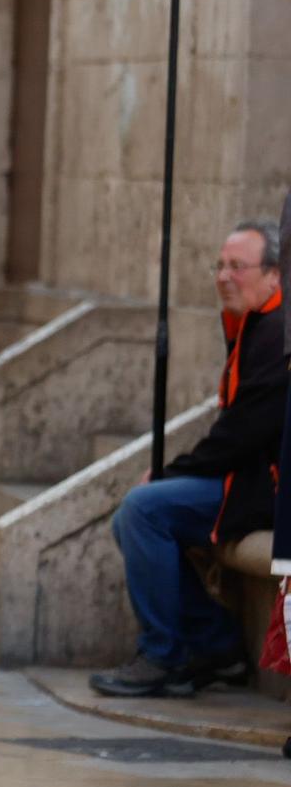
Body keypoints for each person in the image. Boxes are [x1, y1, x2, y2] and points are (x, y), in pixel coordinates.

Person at [91, 220, 286, 698]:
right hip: (246, 476)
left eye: (238, 267)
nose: (223, 276)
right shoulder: (255, 324)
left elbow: (242, 434)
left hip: (267, 488)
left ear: (274, 277)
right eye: (220, 265)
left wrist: (166, 473)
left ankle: (164, 655)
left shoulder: (278, 333)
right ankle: (216, 644)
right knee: (134, 517)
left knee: (143, 511)